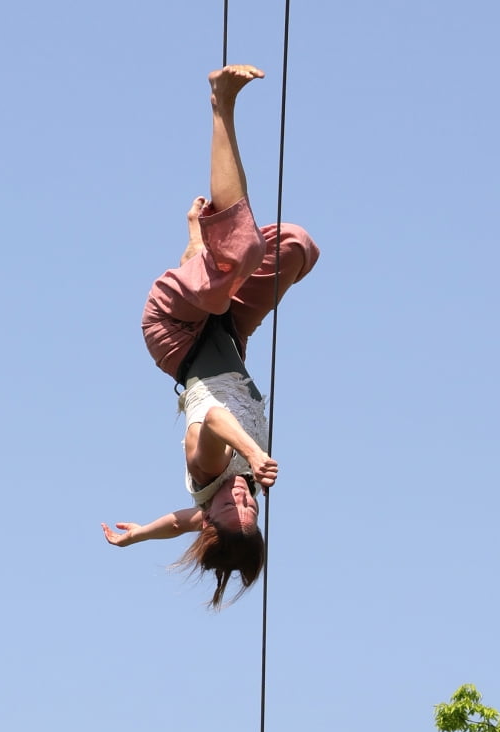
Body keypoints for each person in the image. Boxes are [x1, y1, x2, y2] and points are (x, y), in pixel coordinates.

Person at [102, 67, 319, 607]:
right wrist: (139, 535)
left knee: (239, 256)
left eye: (232, 514)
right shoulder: (222, 501)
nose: (244, 504)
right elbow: (180, 524)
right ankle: (198, 248)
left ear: (213, 521)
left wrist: (253, 452)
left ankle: (222, 104)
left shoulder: (209, 466)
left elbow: (217, 422)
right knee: (295, 246)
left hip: (175, 335)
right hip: (227, 337)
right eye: (252, 516)